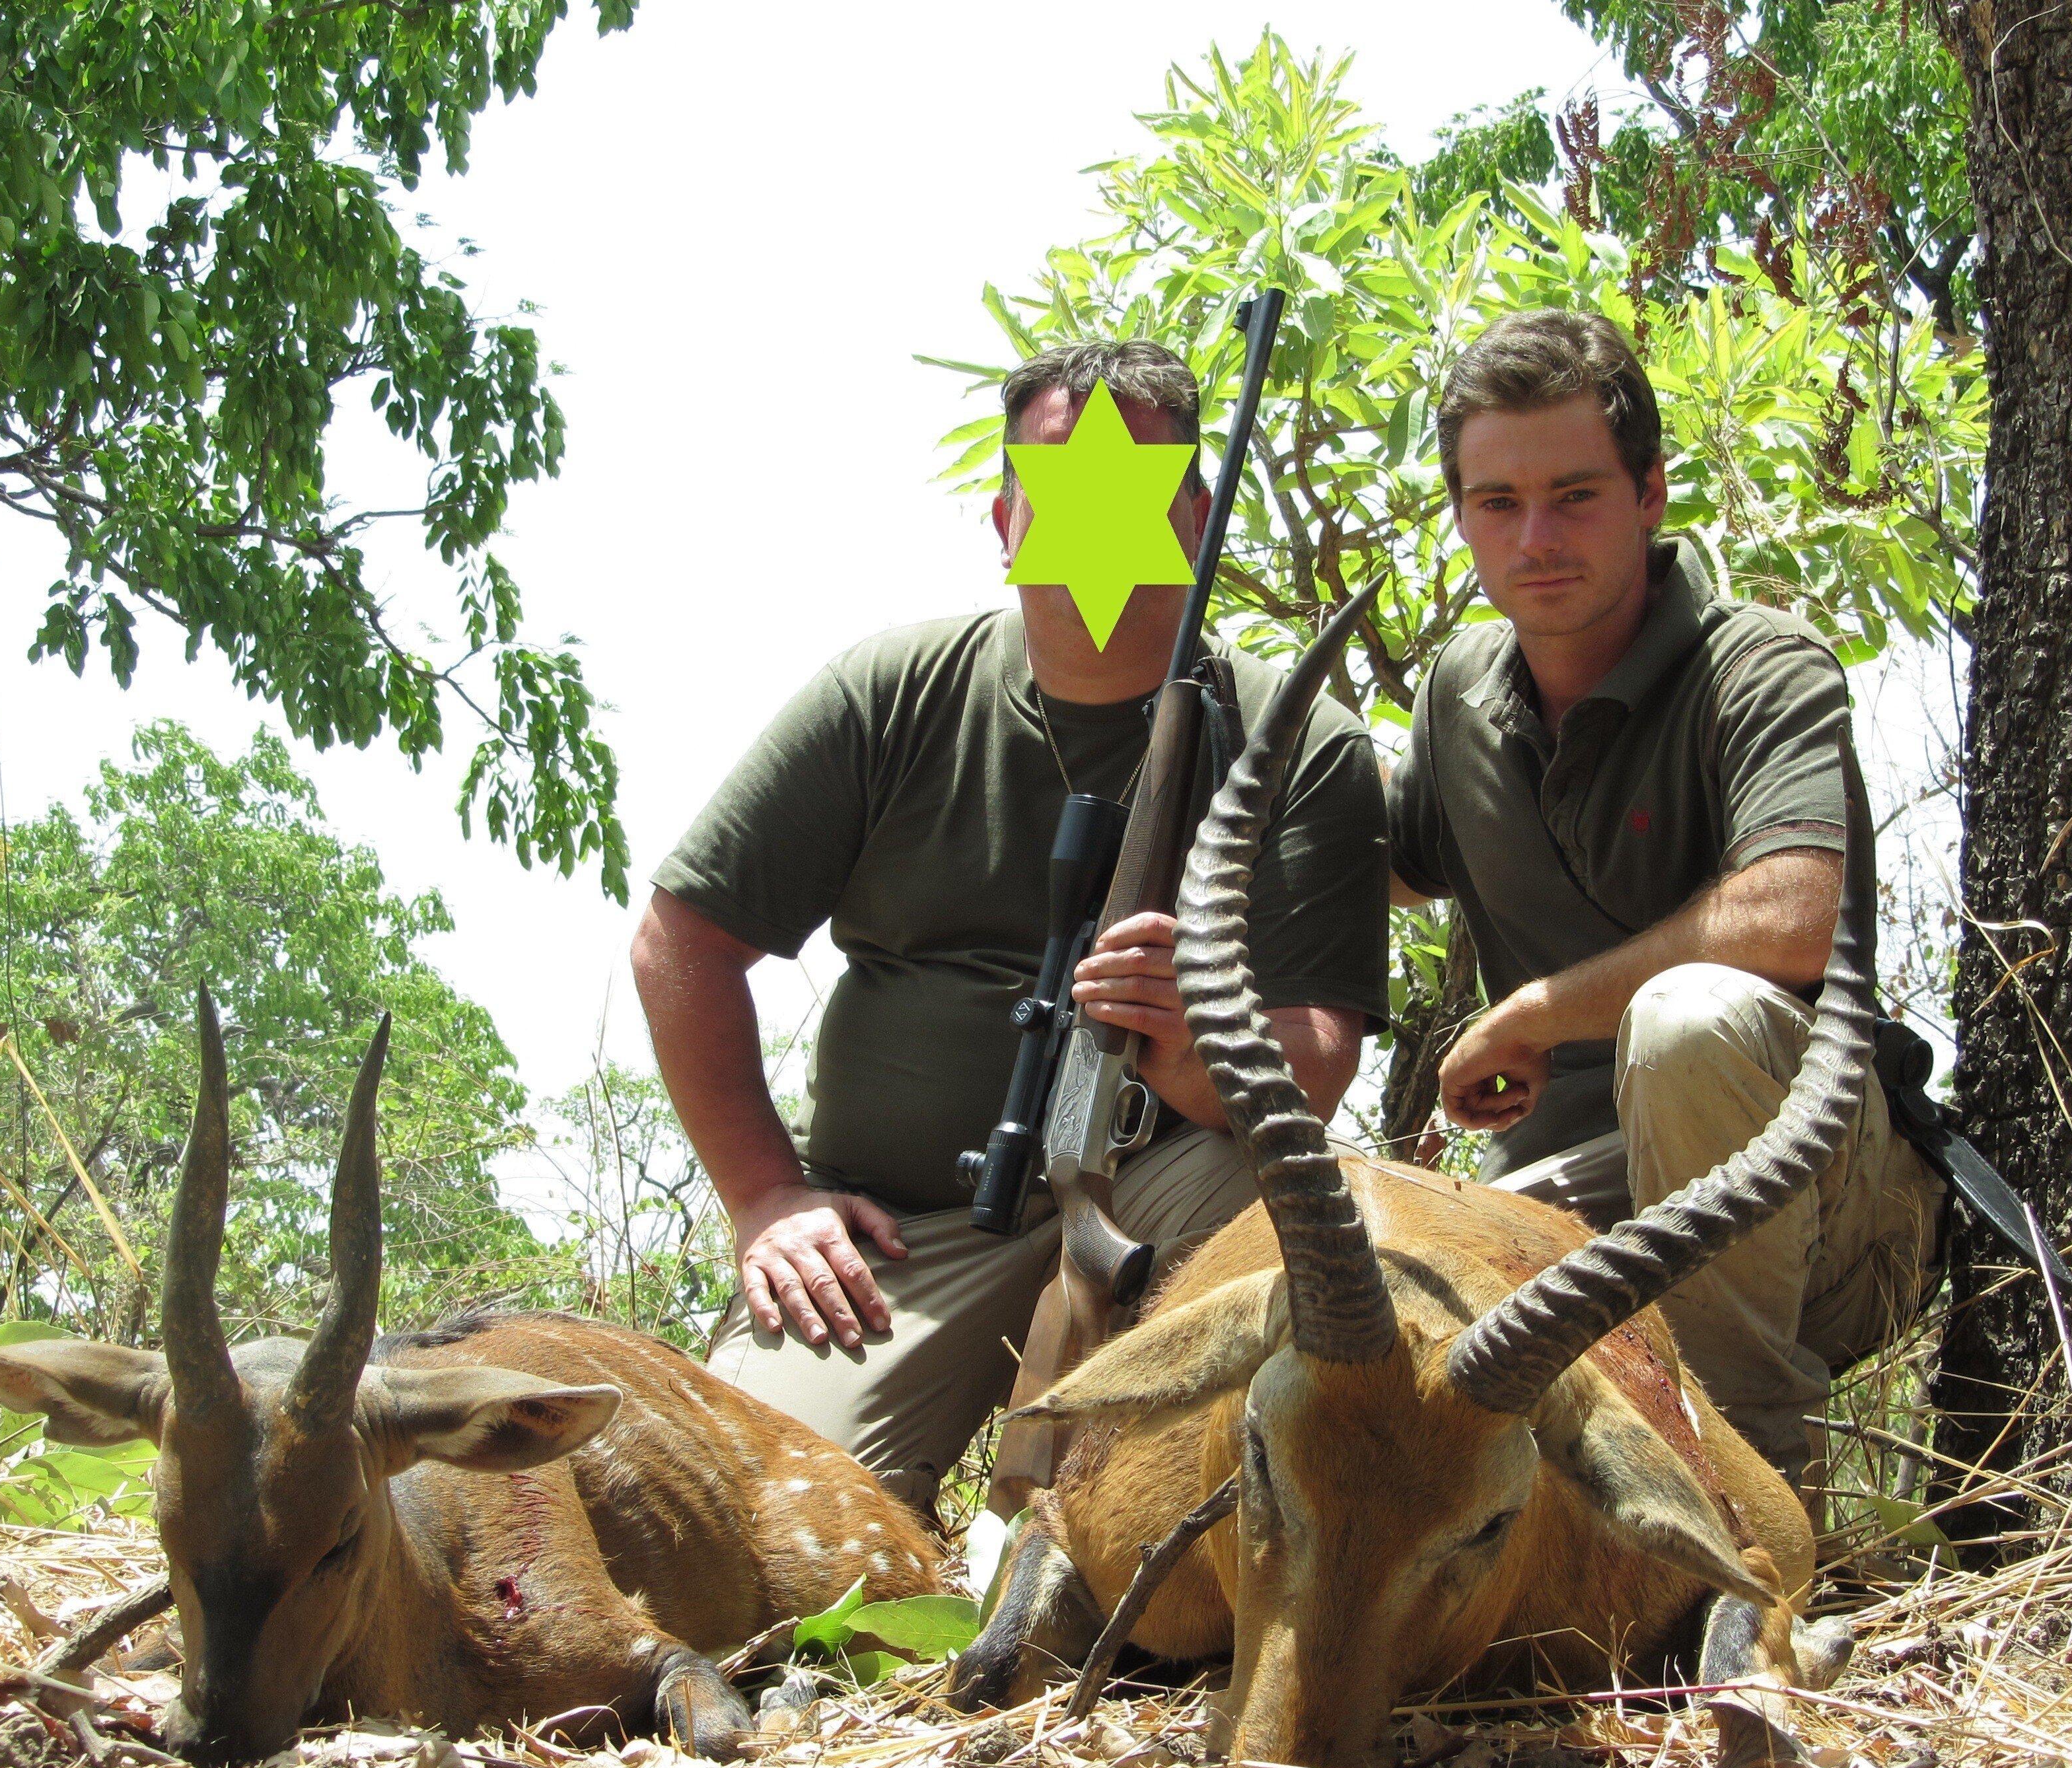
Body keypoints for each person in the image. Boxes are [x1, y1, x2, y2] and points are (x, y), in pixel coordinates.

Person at [632, 339, 1390, 1517]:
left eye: (1132, 494)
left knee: (1219, 1460)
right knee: (757, 1533)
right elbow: (681, 943)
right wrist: (763, 1198)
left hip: (1168, 1199)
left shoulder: (1306, 741)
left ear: (1195, 518)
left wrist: (1194, 1038)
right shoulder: (887, 692)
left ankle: (1090, 1522)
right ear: (1004, 519)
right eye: (1062, 492)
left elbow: (1319, 1064)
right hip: (900, 1233)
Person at [1387, 308, 1945, 1503]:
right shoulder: (1458, 693)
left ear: (1650, 494)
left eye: (1575, 494)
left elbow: (1795, 911)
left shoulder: (1761, 662)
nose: (1536, 538)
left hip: (1816, 1210)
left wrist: (1536, 1011)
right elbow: (1368, 864)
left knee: (1690, 1020)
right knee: (1367, 1253)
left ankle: (1753, 1517)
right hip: (1579, 1215)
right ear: (1463, 516)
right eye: (1497, 504)